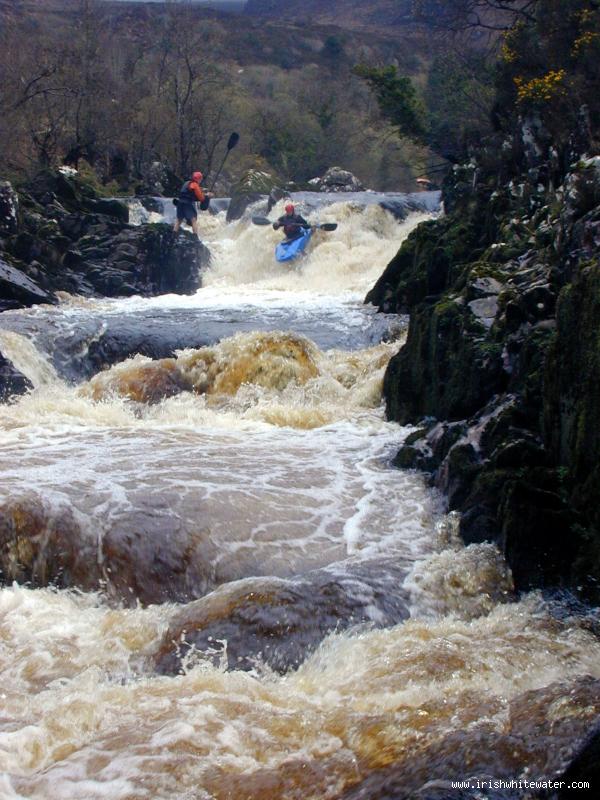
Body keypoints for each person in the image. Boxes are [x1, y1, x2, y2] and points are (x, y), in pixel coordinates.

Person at [173, 171, 213, 236]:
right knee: (193, 219)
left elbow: (191, 191)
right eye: (200, 179)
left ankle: (174, 234)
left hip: (180, 203)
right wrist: (207, 196)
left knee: (179, 220)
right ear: (199, 179)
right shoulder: (195, 185)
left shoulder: (187, 183)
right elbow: (201, 198)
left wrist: (202, 191)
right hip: (187, 204)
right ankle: (195, 236)